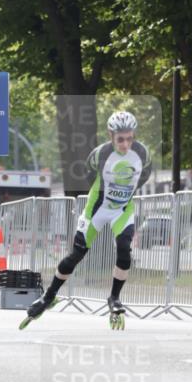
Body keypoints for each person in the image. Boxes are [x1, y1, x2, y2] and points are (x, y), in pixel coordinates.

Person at [22, 111, 152, 326]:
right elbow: (89, 173)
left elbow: (145, 173)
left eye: (130, 138)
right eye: (120, 139)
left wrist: (126, 191)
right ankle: (49, 296)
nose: (125, 143)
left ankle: (114, 297)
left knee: (124, 247)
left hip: (122, 209)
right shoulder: (100, 154)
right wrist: (104, 191)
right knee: (77, 254)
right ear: (111, 136)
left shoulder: (142, 153)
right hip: (97, 209)